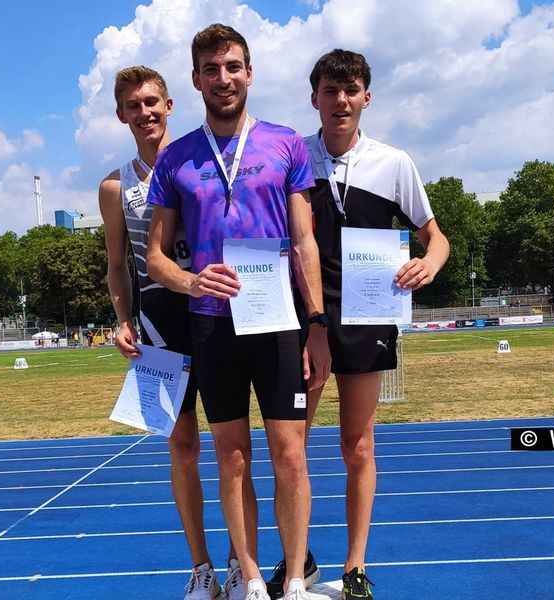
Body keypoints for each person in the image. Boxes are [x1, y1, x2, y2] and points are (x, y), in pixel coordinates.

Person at [146, 23, 330, 600]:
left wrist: (318, 324)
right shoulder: (176, 158)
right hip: (210, 321)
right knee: (231, 457)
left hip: (277, 319)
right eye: (210, 69)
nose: (222, 79)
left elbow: (304, 241)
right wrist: (189, 277)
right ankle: (249, 577)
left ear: (249, 72)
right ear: (196, 79)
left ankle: (295, 578)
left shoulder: (288, 144)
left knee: (291, 454)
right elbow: (154, 258)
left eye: (232, 67)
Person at [305, 49, 450, 600]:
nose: (340, 100)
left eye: (351, 90)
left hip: (369, 316)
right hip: (308, 320)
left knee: (357, 445)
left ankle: (354, 566)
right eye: (329, 90)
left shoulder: (394, 163)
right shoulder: (295, 157)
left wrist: (428, 263)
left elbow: (436, 238)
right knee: (290, 445)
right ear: (313, 97)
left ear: (366, 96)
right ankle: (299, 560)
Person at [98, 65, 237, 600]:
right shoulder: (115, 186)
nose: (145, 113)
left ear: (171, 104)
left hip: (213, 311)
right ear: (121, 114)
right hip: (159, 322)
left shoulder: (199, 163)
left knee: (231, 443)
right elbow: (117, 264)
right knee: (182, 445)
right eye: (134, 105)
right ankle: (201, 567)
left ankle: (236, 561)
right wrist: (123, 320)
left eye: (152, 102)